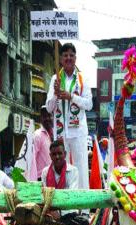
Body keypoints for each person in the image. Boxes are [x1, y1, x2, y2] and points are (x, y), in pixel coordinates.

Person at [46, 43, 92, 191]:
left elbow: (89, 104)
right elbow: (49, 107)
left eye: (71, 55)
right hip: (60, 133)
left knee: (81, 167)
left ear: (75, 58)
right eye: (65, 55)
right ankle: (63, 208)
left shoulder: (82, 78)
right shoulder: (55, 79)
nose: (68, 58)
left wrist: (71, 97)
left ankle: (84, 209)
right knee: (60, 169)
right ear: (60, 59)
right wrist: (55, 94)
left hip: (78, 131)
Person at [41, 140, 79, 225]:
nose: (57, 157)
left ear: (65, 154)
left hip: (68, 212)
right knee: (41, 224)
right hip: (50, 211)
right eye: (54, 154)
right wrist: (51, 211)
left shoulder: (73, 171)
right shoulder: (45, 172)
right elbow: (45, 194)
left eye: (59, 154)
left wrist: (59, 213)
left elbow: (71, 195)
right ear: (50, 156)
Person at [31, 106, 53, 181]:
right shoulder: (37, 135)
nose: (47, 119)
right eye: (44, 116)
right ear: (41, 118)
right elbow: (32, 159)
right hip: (40, 178)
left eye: (49, 116)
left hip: (53, 178)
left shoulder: (54, 134)